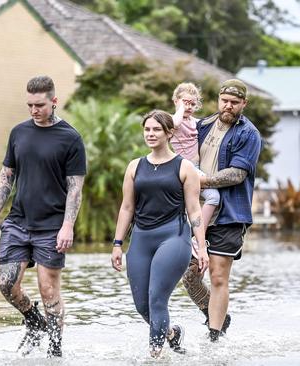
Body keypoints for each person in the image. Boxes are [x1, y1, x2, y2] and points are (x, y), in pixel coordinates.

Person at [0, 76, 86, 358]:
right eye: (29, 104)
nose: (33, 110)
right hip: (18, 221)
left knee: (48, 288)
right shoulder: (18, 132)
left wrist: (68, 226)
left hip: (52, 226)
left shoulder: (71, 138)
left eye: (39, 104)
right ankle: (33, 319)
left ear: (54, 101)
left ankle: (54, 352)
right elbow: (7, 176)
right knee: (6, 283)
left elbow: (75, 188)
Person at [111, 110, 209, 358]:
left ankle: (155, 356)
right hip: (141, 238)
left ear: (169, 133)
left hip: (173, 238)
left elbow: (194, 209)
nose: (151, 134)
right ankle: (173, 334)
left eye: (156, 129)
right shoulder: (135, 166)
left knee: (156, 299)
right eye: (147, 129)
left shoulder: (185, 167)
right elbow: (126, 207)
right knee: (142, 306)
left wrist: (202, 246)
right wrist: (117, 243)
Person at [180, 79, 262, 342]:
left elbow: (237, 174)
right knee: (188, 276)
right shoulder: (201, 125)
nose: (228, 106)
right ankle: (215, 314)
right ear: (218, 99)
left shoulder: (248, 134)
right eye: (224, 100)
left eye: (235, 103)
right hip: (196, 211)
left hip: (230, 214)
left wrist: (201, 180)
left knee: (217, 276)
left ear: (244, 104)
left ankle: (214, 335)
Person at [170, 82, 220, 231]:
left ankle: (196, 234)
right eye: (186, 102)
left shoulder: (196, 122)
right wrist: (181, 107)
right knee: (214, 196)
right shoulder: (171, 120)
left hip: (197, 168)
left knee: (201, 201)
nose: (189, 107)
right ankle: (199, 235)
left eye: (193, 104)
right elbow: (176, 122)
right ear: (176, 101)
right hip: (184, 167)